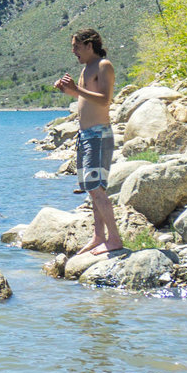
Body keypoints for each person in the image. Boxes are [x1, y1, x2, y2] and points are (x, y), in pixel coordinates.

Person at [53, 29, 123, 254]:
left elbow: (104, 100)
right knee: (93, 189)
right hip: (85, 136)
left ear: (89, 45)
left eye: (76, 46)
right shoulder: (86, 69)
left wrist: (76, 89)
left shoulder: (104, 65)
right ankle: (98, 236)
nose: (73, 51)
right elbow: (84, 96)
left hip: (99, 135)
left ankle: (114, 239)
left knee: (97, 189)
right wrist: (69, 90)